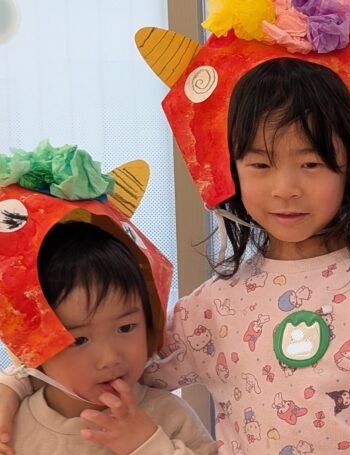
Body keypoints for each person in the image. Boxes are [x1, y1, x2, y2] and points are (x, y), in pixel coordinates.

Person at [2, 1, 350, 452]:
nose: (285, 189)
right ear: (231, 171)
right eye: (260, 164)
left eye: (311, 163)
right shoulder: (214, 306)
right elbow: (109, 355)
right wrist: (14, 386)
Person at [0, 144, 214, 454]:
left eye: (126, 327)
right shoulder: (11, 426)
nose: (109, 359)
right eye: (78, 340)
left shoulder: (169, 416)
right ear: (33, 345)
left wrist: (148, 444)